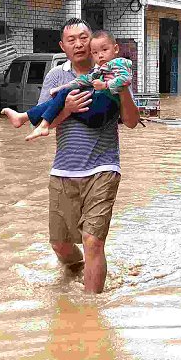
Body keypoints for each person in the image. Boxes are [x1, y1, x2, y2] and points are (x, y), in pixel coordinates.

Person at [36, 18, 139, 294]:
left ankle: (91, 311)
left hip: (103, 167)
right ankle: (78, 271)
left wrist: (124, 89)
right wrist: (66, 109)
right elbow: (42, 123)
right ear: (63, 46)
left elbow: (130, 121)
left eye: (84, 38)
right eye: (72, 40)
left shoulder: (111, 71)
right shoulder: (56, 77)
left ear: (94, 42)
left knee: (93, 240)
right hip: (64, 170)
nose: (79, 44)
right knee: (60, 243)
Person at [1, 30, 131, 140]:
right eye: (95, 53)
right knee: (63, 94)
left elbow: (125, 79)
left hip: (103, 109)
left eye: (104, 50)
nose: (100, 55)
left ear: (116, 49)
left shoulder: (118, 64)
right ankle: (27, 119)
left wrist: (105, 86)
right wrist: (62, 89)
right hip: (96, 112)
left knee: (64, 96)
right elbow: (84, 80)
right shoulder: (100, 70)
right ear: (62, 46)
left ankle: (32, 121)